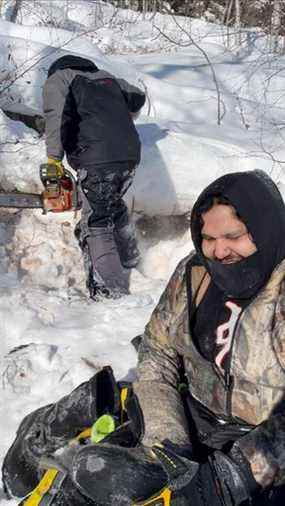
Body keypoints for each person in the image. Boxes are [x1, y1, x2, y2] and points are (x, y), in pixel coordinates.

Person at [2, 170, 285, 505]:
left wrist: (234, 475)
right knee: (93, 477)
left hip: (258, 452)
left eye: (233, 235)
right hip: (187, 416)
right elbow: (158, 348)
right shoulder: (195, 273)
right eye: (208, 238)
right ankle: (37, 453)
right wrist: (167, 440)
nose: (219, 251)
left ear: (266, 229)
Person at [42, 55, 146, 300]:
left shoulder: (60, 79)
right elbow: (138, 96)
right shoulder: (108, 78)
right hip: (129, 155)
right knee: (113, 205)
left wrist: (53, 159)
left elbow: (54, 117)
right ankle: (131, 257)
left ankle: (110, 291)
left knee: (96, 221)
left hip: (97, 157)